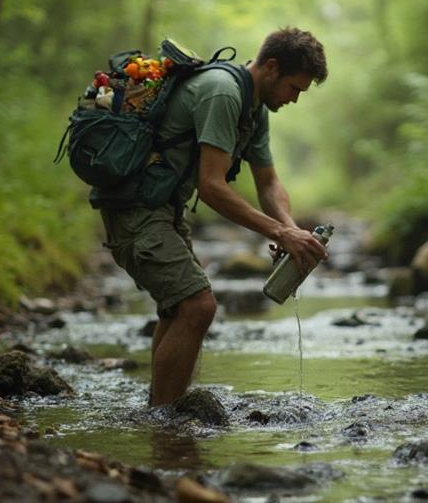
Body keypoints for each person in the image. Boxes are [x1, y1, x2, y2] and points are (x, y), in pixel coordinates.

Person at [99, 27, 329, 406]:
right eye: (294, 88)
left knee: (178, 307)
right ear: (271, 67)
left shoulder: (254, 107)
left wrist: (290, 231)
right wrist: (278, 232)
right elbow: (211, 187)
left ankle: (158, 413)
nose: (295, 99)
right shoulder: (223, 92)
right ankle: (166, 420)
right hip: (135, 206)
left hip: (164, 208)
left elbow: (268, 182)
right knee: (197, 305)